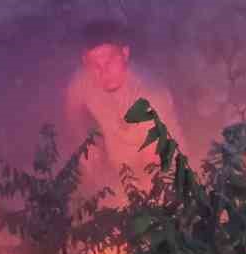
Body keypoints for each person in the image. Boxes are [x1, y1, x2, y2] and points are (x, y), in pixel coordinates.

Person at [64, 19, 186, 192]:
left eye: (109, 61)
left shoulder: (150, 94)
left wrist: (130, 197)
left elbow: (153, 164)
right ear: (85, 62)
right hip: (121, 170)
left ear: (125, 54)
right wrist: (84, 143)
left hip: (167, 170)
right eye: (95, 65)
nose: (103, 71)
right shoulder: (83, 80)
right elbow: (72, 109)